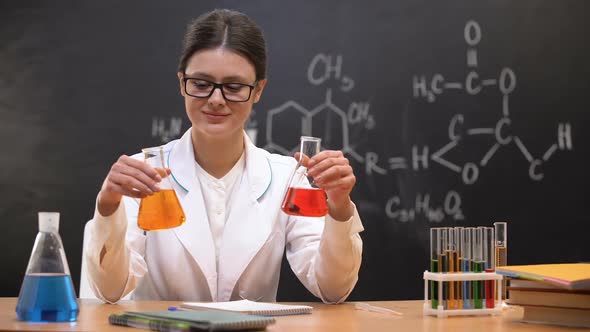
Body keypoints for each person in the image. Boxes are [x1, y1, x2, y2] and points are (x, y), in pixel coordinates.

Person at [84, 8, 364, 304]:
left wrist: (339, 207)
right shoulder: (141, 173)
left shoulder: (287, 178)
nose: (216, 100)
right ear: (182, 83)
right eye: (201, 84)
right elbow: (109, 290)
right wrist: (107, 205)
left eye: (233, 87)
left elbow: (333, 289)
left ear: (258, 90)